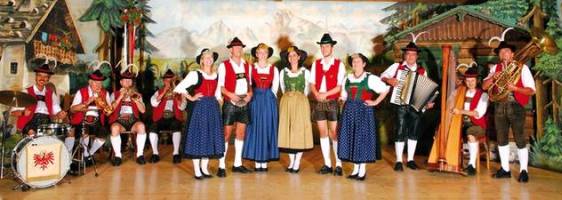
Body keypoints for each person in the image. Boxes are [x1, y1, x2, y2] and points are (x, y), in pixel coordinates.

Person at [482, 40, 535, 183]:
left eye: (507, 51)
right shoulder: (495, 68)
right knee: (501, 138)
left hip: (516, 105)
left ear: (512, 54)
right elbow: (484, 86)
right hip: (499, 106)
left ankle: (524, 171)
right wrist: (493, 76)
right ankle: (505, 169)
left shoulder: (522, 68)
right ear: (499, 55)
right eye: (501, 51)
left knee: (519, 138)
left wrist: (516, 89)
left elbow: (531, 90)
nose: (504, 53)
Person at [380, 41, 433, 172]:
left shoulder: (422, 71)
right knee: (400, 131)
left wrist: (427, 102)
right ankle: (398, 160)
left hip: (415, 106)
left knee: (413, 132)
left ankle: (410, 160)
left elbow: (425, 90)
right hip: (400, 103)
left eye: (413, 54)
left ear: (417, 56)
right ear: (404, 55)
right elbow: (382, 76)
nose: (410, 57)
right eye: (408, 54)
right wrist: (389, 80)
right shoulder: (396, 67)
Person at [175, 49, 225, 179]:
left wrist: (220, 102)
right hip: (200, 108)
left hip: (212, 108)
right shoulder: (195, 74)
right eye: (206, 57)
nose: (209, 59)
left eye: (211, 57)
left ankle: (204, 168)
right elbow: (179, 87)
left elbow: (218, 93)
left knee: (209, 137)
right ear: (202, 60)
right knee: (198, 136)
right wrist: (191, 97)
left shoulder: (216, 75)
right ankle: (197, 170)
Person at [338, 53, 389, 181]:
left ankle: (362, 171)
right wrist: (341, 100)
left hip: (364, 111)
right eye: (354, 62)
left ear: (364, 64)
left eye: (358, 61)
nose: (355, 64)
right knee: (352, 139)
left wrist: (375, 102)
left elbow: (385, 89)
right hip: (349, 112)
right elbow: (344, 96)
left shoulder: (370, 78)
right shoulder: (347, 78)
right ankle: (355, 170)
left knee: (362, 139)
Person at [309, 33, 346, 176]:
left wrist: (325, 94)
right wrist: (317, 94)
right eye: (322, 46)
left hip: (331, 102)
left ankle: (338, 164)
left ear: (332, 48)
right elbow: (312, 83)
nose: (324, 49)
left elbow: (339, 86)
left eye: (327, 46)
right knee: (323, 133)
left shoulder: (339, 64)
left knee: (334, 133)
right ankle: (327, 164)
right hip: (319, 101)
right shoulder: (316, 64)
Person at [216, 37, 253, 177]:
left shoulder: (246, 65)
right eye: (235, 47)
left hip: (244, 103)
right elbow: (221, 86)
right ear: (230, 49)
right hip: (230, 103)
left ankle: (237, 164)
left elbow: (249, 83)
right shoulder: (224, 65)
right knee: (226, 134)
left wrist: (250, 94)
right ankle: (221, 165)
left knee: (241, 134)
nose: (238, 49)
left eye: (240, 47)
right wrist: (231, 95)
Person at [12, 64, 70, 148]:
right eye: (39, 75)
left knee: (55, 139)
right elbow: (13, 112)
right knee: (33, 135)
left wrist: (60, 114)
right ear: (35, 77)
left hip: (47, 122)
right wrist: (23, 112)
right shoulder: (26, 92)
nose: (42, 78)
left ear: (48, 79)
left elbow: (57, 112)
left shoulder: (51, 94)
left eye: (45, 76)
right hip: (30, 121)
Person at [243, 43, 280, 171]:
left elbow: (275, 89)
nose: (262, 54)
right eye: (260, 52)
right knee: (255, 128)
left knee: (267, 128)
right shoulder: (251, 68)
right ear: (256, 54)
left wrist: (269, 99)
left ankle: (264, 162)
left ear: (268, 54)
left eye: (265, 52)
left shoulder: (273, 69)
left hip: (268, 100)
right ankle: (257, 162)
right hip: (255, 99)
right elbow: (248, 84)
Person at [278, 46, 313, 173]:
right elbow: (282, 88)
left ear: (299, 57)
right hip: (287, 102)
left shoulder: (305, 72)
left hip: (300, 103)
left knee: (298, 131)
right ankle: (291, 161)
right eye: (290, 55)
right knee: (287, 130)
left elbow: (307, 91)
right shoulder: (283, 72)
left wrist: (298, 97)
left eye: (294, 55)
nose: (292, 58)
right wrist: (289, 97)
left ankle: (297, 162)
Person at [451, 68, 489, 176]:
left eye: (472, 81)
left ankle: (471, 165)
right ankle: (447, 160)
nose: (470, 83)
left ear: (477, 81)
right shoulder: (461, 92)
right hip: (461, 123)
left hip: (478, 125)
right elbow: (450, 102)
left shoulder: (483, 95)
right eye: (467, 81)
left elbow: (477, 114)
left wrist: (460, 111)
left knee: (470, 132)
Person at [69, 69, 111, 166]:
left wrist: (104, 104)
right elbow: (72, 110)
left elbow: (108, 112)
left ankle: (89, 154)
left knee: (103, 134)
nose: (98, 86)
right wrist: (88, 101)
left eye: (100, 83)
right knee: (85, 131)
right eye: (96, 83)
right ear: (90, 82)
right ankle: (84, 156)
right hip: (82, 120)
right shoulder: (81, 92)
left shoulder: (105, 93)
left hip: (97, 121)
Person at [108, 70, 147, 166]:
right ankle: (118, 156)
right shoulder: (114, 94)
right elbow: (110, 110)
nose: (127, 83)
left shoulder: (137, 95)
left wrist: (136, 100)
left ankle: (140, 155)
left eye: (129, 81)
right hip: (119, 120)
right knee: (114, 128)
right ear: (121, 82)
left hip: (133, 120)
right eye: (125, 81)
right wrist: (120, 97)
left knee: (141, 126)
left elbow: (143, 111)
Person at [149, 69, 186, 164]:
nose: (169, 82)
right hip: (161, 117)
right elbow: (153, 103)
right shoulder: (158, 92)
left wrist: (176, 97)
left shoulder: (180, 93)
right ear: (163, 81)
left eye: (171, 80)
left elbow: (182, 107)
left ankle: (176, 153)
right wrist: (164, 92)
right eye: (167, 80)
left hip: (174, 117)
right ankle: (155, 154)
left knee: (176, 126)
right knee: (153, 127)